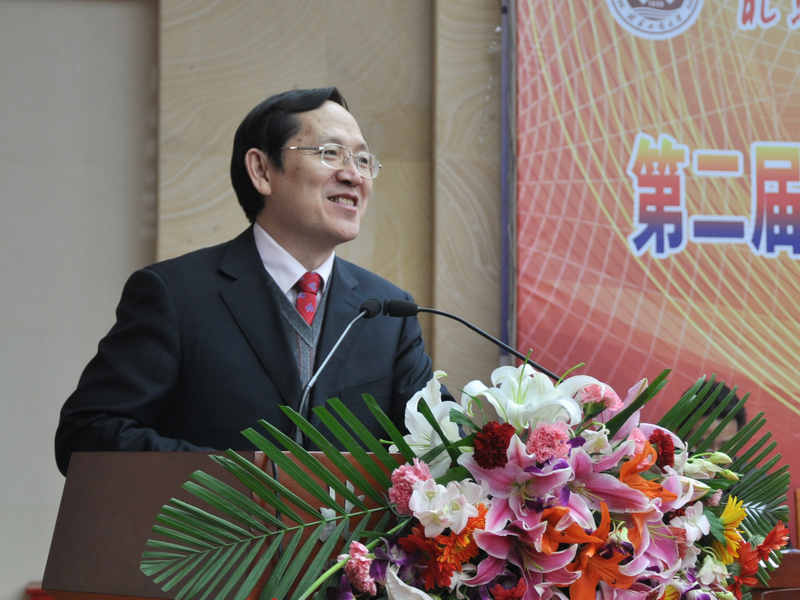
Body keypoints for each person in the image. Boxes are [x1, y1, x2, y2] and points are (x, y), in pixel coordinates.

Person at [55, 87, 437, 476]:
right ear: (262, 171)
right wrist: (240, 483)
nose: (353, 175)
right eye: (330, 153)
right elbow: (88, 434)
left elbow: (441, 449)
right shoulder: (175, 295)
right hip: (213, 518)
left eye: (362, 159)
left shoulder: (389, 312)